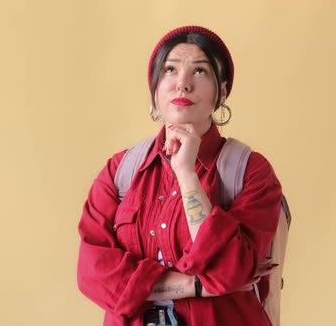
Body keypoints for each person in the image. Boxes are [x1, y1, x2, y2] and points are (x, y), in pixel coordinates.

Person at [77, 25, 283, 326]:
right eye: (170, 70)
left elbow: (229, 268)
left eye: (200, 72)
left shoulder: (251, 171)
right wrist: (195, 285)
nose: (182, 84)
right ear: (154, 89)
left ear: (222, 92)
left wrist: (186, 173)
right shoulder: (121, 170)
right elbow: (93, 273)